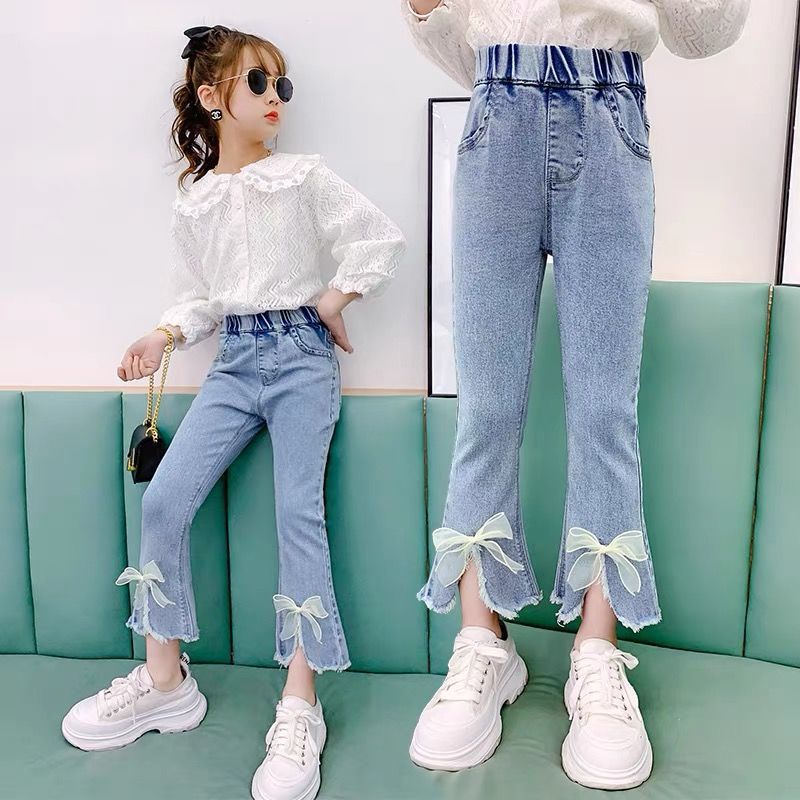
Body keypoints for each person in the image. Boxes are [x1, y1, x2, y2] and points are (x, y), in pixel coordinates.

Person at [401, 0, 750, 789]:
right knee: (486, 409)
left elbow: (704, 33)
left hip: (611, 110)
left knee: (603, 410)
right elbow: (466, 48)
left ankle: (595, 648)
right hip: (497, 112)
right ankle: (483, 642)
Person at [61, 24, 405, 800]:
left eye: (283, 84)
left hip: (302, 358)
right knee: (163, 502)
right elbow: (198, 298)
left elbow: (377, 240)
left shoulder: (304, 176)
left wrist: (333, 299)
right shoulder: (197, 201)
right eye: (259, 82)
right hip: (234, 360)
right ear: (213, 96)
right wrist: (162, 334)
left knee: (296, 516)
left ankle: (300, 705)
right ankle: (164, 681)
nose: (275, 97)